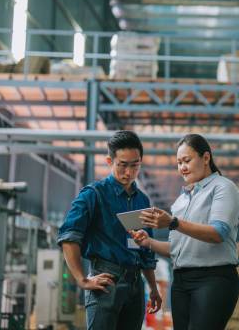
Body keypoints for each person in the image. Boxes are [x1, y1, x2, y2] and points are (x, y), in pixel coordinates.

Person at [131, 133, 239, 330]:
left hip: (213, 279)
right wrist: (148, 242)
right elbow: (177, 249)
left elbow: (218, 233)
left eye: (187, 160)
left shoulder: (223, 188)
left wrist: (173, 222)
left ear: (206, 158)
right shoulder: (181, 201)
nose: (182, 167)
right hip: (182, 282)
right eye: (178, 162)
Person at [57, 130, 162, 330]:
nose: (129, 172)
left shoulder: (142, 200)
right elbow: (69, 237)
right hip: (106, 281)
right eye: (122, 165)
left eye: (135, 165)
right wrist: (82, 279)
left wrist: (153, 288)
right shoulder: (94, 195)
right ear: (109, 161)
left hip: (135, 285)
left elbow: (145, 250)